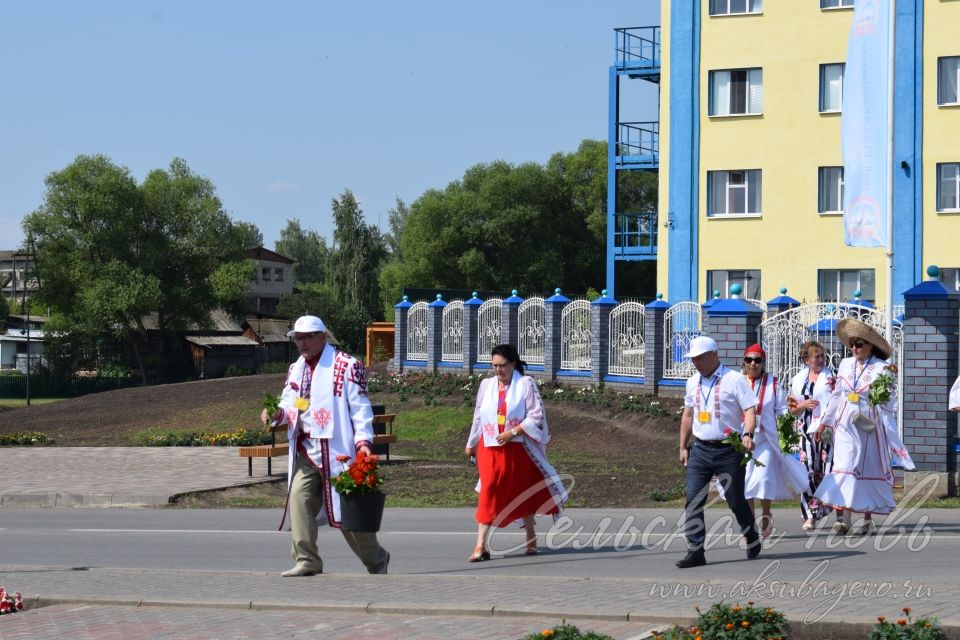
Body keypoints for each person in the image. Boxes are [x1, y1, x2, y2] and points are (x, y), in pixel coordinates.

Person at [261, 315, 389, 576]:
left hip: (339, 452)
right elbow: (288, 404)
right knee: (299, 498)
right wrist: (275, 414)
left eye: (308, 337)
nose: (302, 343)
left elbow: (361, 409)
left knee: (348, 518)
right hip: (307, 450)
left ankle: (377, 560)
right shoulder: (296, 368)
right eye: (298, 338)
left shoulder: (347, 365)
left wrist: (364, 442)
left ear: (323, 337)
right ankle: (307, 560)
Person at [464, 344, 567, 562]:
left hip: (517, 448)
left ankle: (530, 536)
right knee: (489, 491)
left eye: (502, 365)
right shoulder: (486, 385)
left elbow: (536, 415)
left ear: (513, 364)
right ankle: (480, 544)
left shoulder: (525, 384)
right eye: (494, 366)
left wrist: (513, 432)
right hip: (489, 448)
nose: (498, 370)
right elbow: (479, 416)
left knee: (522, 491)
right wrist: (471, 442)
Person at [814, 318, 915, 536]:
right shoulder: (845, 364)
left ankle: (867, 517)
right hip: (844, 424)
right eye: (851, 344)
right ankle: (844, 517)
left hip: (868, 425)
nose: (854, 348)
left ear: (870, 345)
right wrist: (824, 422)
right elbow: (837, 394)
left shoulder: (883, 368)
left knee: (864, 469)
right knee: (845, 466)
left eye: (859, 344)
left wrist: (879, 403)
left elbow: (889, 402)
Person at [676, 336, 762, 569]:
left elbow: (750, 411)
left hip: (729, 449)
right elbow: (688, 415)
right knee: (693, 500)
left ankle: (751, 535)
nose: (696, 363)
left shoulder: (734, 380)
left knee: (735, 501)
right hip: (701, 449)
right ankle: (695, 551)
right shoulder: (692, 382)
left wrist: (748, 435)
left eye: (700, 358)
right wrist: (683, 446)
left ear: (714, 355)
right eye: (693, 359)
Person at [736, 344, 809, 538]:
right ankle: (750, 521)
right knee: (745, 481)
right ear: (743, 362)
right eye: (749, 360)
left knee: (763, 479)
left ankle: (766, 513)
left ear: (763, 363)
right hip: (743, 439)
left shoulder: (772, 383)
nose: (753, 364)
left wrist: (785, 424)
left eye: (757, 360)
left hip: (766, 438)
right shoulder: (737, 382)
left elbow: (781, 409)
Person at [788, 340, 836, 530]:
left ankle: (836, 513)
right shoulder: (798, 379)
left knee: (828, 472)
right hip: (806, 432)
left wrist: (825, 424)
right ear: (806, 359)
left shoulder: (831, 377)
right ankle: (810, 515)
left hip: (826, 432)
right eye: (816, 356)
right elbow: (791, 408)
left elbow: (837, 402)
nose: (821, 359)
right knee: (806, 473)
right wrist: (802, 405)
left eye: (822, 356)